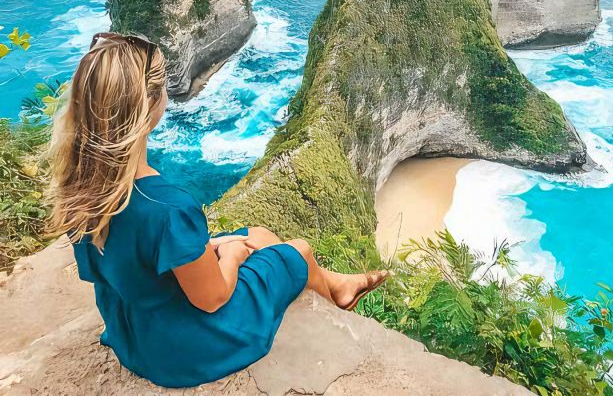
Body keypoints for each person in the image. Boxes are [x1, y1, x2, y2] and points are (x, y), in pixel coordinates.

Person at [48, 31, 388, 388]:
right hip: (185, 349)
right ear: (152, 106)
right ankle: (334, 289)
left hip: (134, 334)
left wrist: (210, 250)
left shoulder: (81, 190)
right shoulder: (167, 207)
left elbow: (128, 261)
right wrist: (232, 259)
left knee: (258, 235)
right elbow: (212, 298)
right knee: (297, 251)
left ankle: (337, 284)